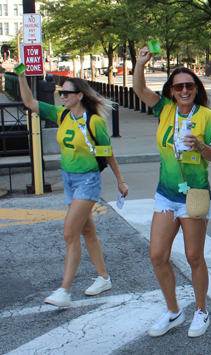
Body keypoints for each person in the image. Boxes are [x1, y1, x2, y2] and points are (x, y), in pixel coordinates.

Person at [18, 74, 129, 307]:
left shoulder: (94, 122)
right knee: (87, 231)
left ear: (80, 95)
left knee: (70, 233)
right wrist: (20, 75)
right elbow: (29, 102)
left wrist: (120, 180)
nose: (62, 96)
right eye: (61, 93)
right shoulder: (63, 114)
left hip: (87, 181)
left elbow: (106, 153)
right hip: (68, 179)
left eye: (66, 93)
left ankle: (64, 290)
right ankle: (104, 278)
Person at [133, 47, 211, 338]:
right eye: (179, 86)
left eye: (190, 85)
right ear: (171, 90)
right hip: (166, 194)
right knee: (157, 255)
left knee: (195, 257)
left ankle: (201, 311)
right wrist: (140, 63)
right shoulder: (164, 109)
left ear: (196, 89)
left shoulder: (207, 116)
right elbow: (139, 88)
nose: (184, 90)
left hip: (194, 195)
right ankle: (173, 311)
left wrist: (199, 146)